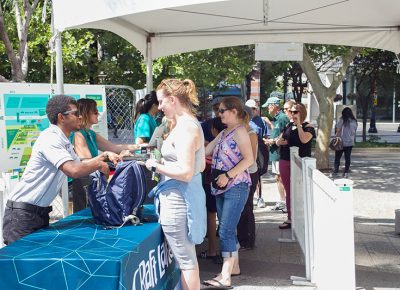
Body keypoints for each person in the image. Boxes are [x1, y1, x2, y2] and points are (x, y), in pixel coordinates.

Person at [2, 95, 119, 245]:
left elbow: (82, 166)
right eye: (76, 113)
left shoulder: (63, 140)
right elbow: (74, 170)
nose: (80, 116)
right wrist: (99, 161)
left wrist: (105, 158)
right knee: (22, 266)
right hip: (22, 215)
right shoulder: (50, 138)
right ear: (61, 118)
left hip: (36, 213)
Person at [145, 78, 206, 290]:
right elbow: (199, 167)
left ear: (172, 99)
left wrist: (155, 165)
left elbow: (186, 172)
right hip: (179, 198)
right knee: (187, 261)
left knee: (187, 262)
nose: (159, 107)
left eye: (161, 101)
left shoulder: (187, 127)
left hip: (179, 202)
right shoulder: (186, 125)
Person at [203, 97, 254, 289]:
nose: (219, 114)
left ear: (234, 111)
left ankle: (225, 275)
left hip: (236, 186)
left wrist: (228, 175)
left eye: (222, 110)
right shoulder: (225, 132)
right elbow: (207, 150)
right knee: (228, 229)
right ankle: (234, 267)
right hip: (222, 187)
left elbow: (249, 159)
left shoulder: (240, 131)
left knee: (224, 230)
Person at [70, 98, 143, 212]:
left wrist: (140, 146)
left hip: (90, 180)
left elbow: (114, 148)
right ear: (85, 113)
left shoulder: (91, 133)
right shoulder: (78, 135)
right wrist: (107, 155)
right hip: (80, 184)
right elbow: (86, 162)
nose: (98, 113)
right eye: (94, 111)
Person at [276, 103, 315, 230]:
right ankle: (290, 217)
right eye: (291, 112)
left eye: (295, 112)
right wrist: (279, 142)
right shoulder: (288, 125)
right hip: (285, 160)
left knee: (301, 190)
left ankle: (303, 217)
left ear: (301, 113)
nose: (292, 114)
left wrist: (299, 125)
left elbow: (304, 140)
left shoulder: (308, 127)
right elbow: (278, 140)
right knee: (289, 190)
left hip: (301, 163)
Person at [199, 117, 225, 263]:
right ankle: (228, 253)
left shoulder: (214, 145)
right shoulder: (231, 141)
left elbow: (205, 159)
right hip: (229, 183)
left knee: (211, 214)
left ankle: (212, 250)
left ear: (214, 130)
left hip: (212, 182)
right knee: (224, 218)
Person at [262, 97, 292, 212]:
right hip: (275, 152)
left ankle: (284, 201)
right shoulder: (276, 118)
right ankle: (283, 200)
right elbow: (278, 132)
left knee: (280, 177)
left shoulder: (282, 118)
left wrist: (273, 141)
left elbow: (285, 134)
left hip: (280, 153)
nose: (267, 109)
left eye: (268, 106)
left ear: (273, 105)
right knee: (278, 177)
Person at [237, 105, 258, 251]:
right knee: (242, 207)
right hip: (241, 173)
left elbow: (251, 158)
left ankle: (247, 239)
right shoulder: (240, 131)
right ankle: (243, 237)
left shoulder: (250, 133)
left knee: (246, 206)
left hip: (249, 173)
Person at [245, 99, 268, 209]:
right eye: (250, 109)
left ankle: (259, 197)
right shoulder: (243, 120)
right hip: (245, 150)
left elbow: (265, 136)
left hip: (258, 150)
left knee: (257, 174)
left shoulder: (261, 121)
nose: (252, 111)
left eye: (254, 109)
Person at [331, 107, 358, 178]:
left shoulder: (342, 120)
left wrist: (336, 135)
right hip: (350, 143)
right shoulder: (354, 121)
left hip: (341, 142)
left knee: (337, 158)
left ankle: (336, 171)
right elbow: (354, 131)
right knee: (347, 158)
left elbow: (338, 129)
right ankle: (346, 172)